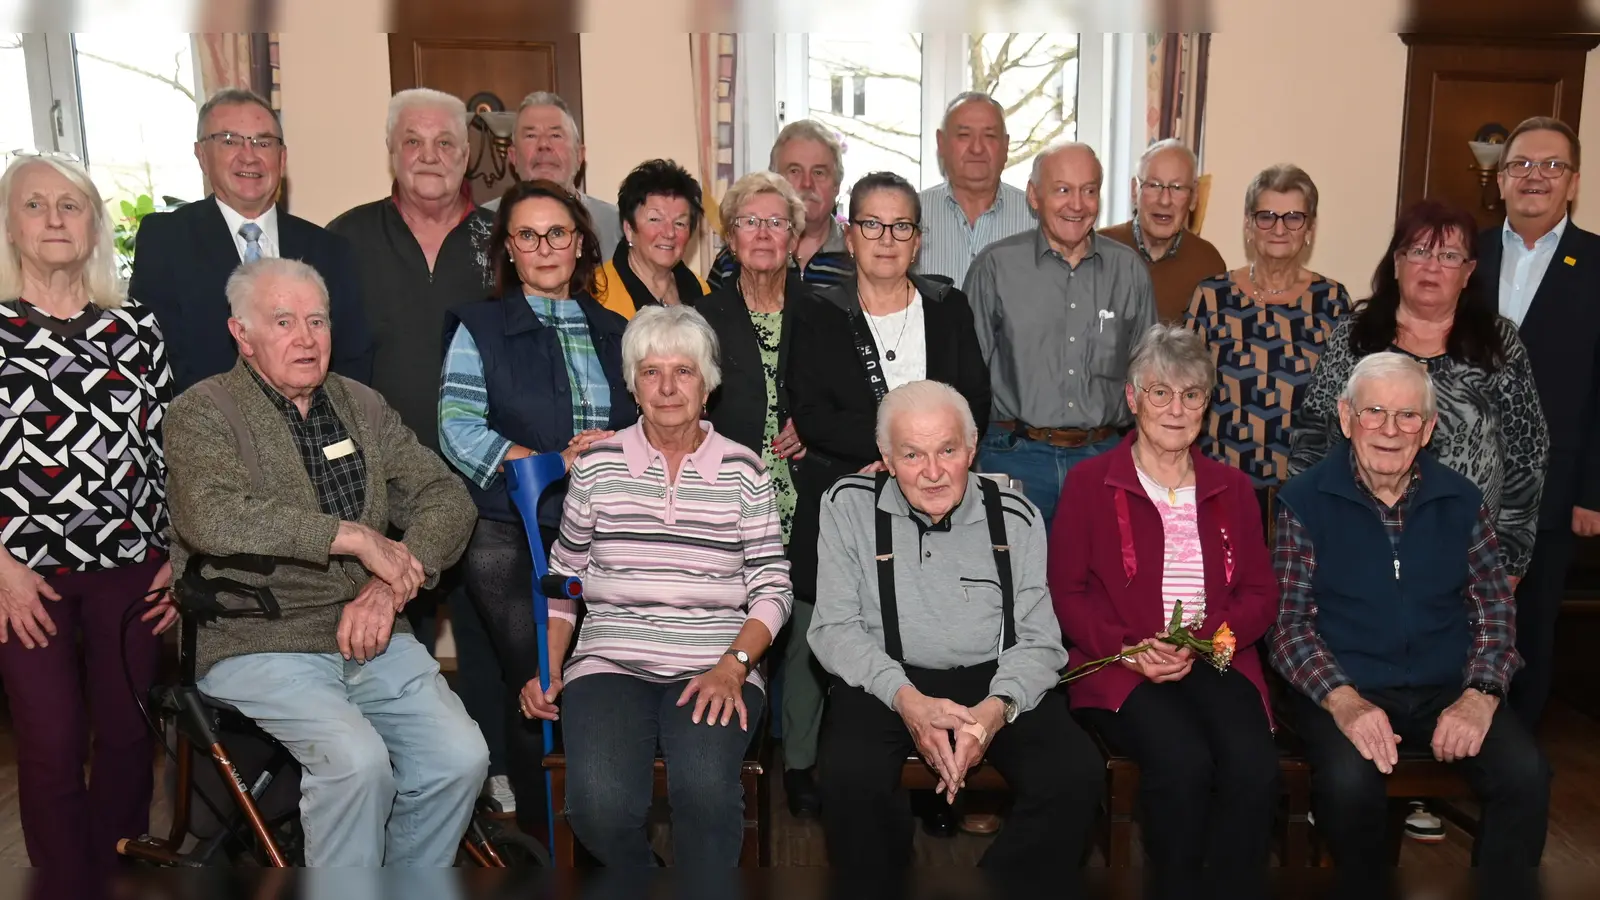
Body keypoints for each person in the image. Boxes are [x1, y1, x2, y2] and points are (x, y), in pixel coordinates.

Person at [164, 257, 487, 866]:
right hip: (254, 636)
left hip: (370, 630)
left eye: (317, 320)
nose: (306, 338)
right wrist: (356, 538)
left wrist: (387, 589)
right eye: (282, 321)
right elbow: (211, 517)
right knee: (357, 764)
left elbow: (448, 497)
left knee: (459, 758)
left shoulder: (360, 405)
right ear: (242, 334)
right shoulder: (202, 412)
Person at [520, 304, 794, 867]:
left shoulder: (745, 471)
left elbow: (773, 587)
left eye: (684, 371)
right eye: (651, 372)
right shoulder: (597, 464)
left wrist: (735, 664)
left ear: (708, 384)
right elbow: (563, 582)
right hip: (611, 660)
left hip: (714, 661)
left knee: (705, 791)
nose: (667, 387)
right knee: (597, 808)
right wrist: (546, 671)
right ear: (633, 384)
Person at [1270, 352, 1550, 874]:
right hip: (1345, 686)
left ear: (1428, 429)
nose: (1390, 430)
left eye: (1408, 417)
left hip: (1449, 686)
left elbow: (1494, 612)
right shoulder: (1304, 500)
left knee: (1526, 774)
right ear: (1346, 416)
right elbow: (1289, 628)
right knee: (1349, 785)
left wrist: (1481, 695)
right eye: (1374, 412)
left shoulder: (1462, 500)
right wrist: (1345, 701)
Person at [809, 380, 1103, 870]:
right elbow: (835, 628)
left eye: (947, 450)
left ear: (971, 449)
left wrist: (994, 711)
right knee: (848, 777)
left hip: (994, 677)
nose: (932, 473)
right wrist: (908, 701)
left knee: (1076, 775)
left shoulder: (1016, 516)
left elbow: (1040, 641)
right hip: (886, 678)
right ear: (884, 456)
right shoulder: (849, 506)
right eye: (911, 455)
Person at [325, 87, 510, 814]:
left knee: (486, 637)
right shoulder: (344, 240)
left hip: (481, 480)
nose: (430, 157)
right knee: (377, 638)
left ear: (467, 156)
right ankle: (386, 781)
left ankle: (489, 773)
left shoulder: (500, 240)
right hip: (369, 482)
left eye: (446, 144)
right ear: (392, 152)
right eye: (414, 142)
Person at [784, 171, 990, 821]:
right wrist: (892, 453)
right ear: (850, 233)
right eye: (872, 224)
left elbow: (973, 403)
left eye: (901, 226)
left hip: (938, 500)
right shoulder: (818, 312)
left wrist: (922, 464)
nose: (886, 238)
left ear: (918, 240)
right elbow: (810, 409)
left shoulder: (947, 308)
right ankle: (806, 769)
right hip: (848, 491)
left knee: (931, 632)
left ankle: (938, 777)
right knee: (833, 632)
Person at [440, 179, 636, 831]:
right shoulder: (479, 327)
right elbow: (459, 428)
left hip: (603, 535)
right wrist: (548, 461)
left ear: (579, 244)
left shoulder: (617, 331)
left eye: (557, 232)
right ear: (510, 250)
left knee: (600, 684)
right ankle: (544, 840)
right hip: (507, 534)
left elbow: (652, 422)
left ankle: (600, 833)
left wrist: (616, 443)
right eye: (528, 235)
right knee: (540, 685)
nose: (544, 246)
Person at [1049, 324, 1279, 881]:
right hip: (1122, 667)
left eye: (1191, 395)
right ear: (1133, 398)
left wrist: (1205, 641)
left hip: (1218, 659)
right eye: (1160, 393)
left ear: (1206, 403)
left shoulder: (1233, 488)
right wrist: (1127, 649)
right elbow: (1065, 593)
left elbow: (1260, 595)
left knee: (1253, 768)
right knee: (1182, 763)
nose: (1176, 409)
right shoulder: (1088, 483)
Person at [0, 154, 175, 873]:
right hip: (22, 576)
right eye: (35, 205)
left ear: (95, 224)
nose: (53, 219)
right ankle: (65, 878)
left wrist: (177, 554)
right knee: (50, 738)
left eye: (71, 205)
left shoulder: (135, 326)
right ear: (10, 223)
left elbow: (174, 449)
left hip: (133, 564)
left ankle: (118, 862)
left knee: (130, 729)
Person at [1289, 200, 1548, 589]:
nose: (1432, 266)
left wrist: (1509, 562)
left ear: (1468, 272)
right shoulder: (1355, 338)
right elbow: (1312, 438)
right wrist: (1309, 533)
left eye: (1448, 255)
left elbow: (1528, 455)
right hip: (1354, 545)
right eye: (1420, 251)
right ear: (1396, 264)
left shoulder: (1499, 344)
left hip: (1470, 555)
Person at [1474, 116, 1600, 729]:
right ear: (1500, 179)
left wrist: (1593, 493)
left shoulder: (1598, 262)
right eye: (1521, 164)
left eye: (1552, 165)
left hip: (1553, 491)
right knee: (1449, 623)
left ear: (1573, 183)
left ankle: (1510, 766)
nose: (1535, 176)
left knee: (1529, 633)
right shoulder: (1462, 255)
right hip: (1457, 482)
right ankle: (1433, 765)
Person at [696, 171, 816, 814]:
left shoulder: (825, 308)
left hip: (809, 488)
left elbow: (848, 400)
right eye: (751, 221)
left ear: (797, 237)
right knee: (735, 615)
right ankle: (734, 757)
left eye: (778, 222)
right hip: (728, 490)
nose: (764, 233)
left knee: (800, 625)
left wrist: (814, 426)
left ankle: (798, 761)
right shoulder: (705, 316)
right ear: (730, 235)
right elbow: (684, 402)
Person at [964, 141, 1157, 524]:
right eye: (1063, 189)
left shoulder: (1129, 271)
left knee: (1099, 582)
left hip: (1102, 459)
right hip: (1014, 458)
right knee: (1012, 582)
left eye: (1089, 190)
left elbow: (1150, 377)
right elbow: (966, 378)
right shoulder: (995, 267)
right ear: (1034, 196)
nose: (1078, 204)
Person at [130, 87, 371, 392]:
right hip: (207, 431)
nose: (249, 156)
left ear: (282, 159)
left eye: (263, 142)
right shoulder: (165, 241)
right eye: (229, 141)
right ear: (202, 155)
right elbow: (157, 357)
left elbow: (353, 360)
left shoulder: (329, 249)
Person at [1185, 164, 1350, 501]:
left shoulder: (1332, 302)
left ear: (1310, 228)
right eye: (1266, 216)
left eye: (1293, 217)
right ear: (1249, 224)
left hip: (1308, 492)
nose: (1279, 228)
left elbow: (1348, 401)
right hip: (1219, 488)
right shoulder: (1212, 297)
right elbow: (1184, 393)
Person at [706, 120, 854, 291]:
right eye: (794, 171)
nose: (807, 183)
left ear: (837, 185)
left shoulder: (856, 257)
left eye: (819, 172)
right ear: (774, 180)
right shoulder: (735, 257)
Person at [915, 92, 1038, 287]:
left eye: (989, 136)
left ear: (1005, 146)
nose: (977, 148)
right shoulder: (910, 216)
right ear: (941, 142)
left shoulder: (1037, 220)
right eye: (964, 135)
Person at [1101, 139, 1228, 322]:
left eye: (1177, 188)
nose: (1165, 200)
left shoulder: (1208, 264)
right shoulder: (1099, 250)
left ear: (1193, 198)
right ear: (1134, 191)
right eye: (1153, 185)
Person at [483, 91, 621, 253]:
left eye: (555, 135)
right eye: (531, 135)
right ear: (513, 156)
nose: (543, 144)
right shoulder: (483, 223)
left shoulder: (615, 225)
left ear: (579, 155)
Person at [593, 158, 709, 318]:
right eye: (655, 219)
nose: (669, 233)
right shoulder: (597, 292)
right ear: (629, 229)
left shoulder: (701, 290)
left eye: (680, 223)